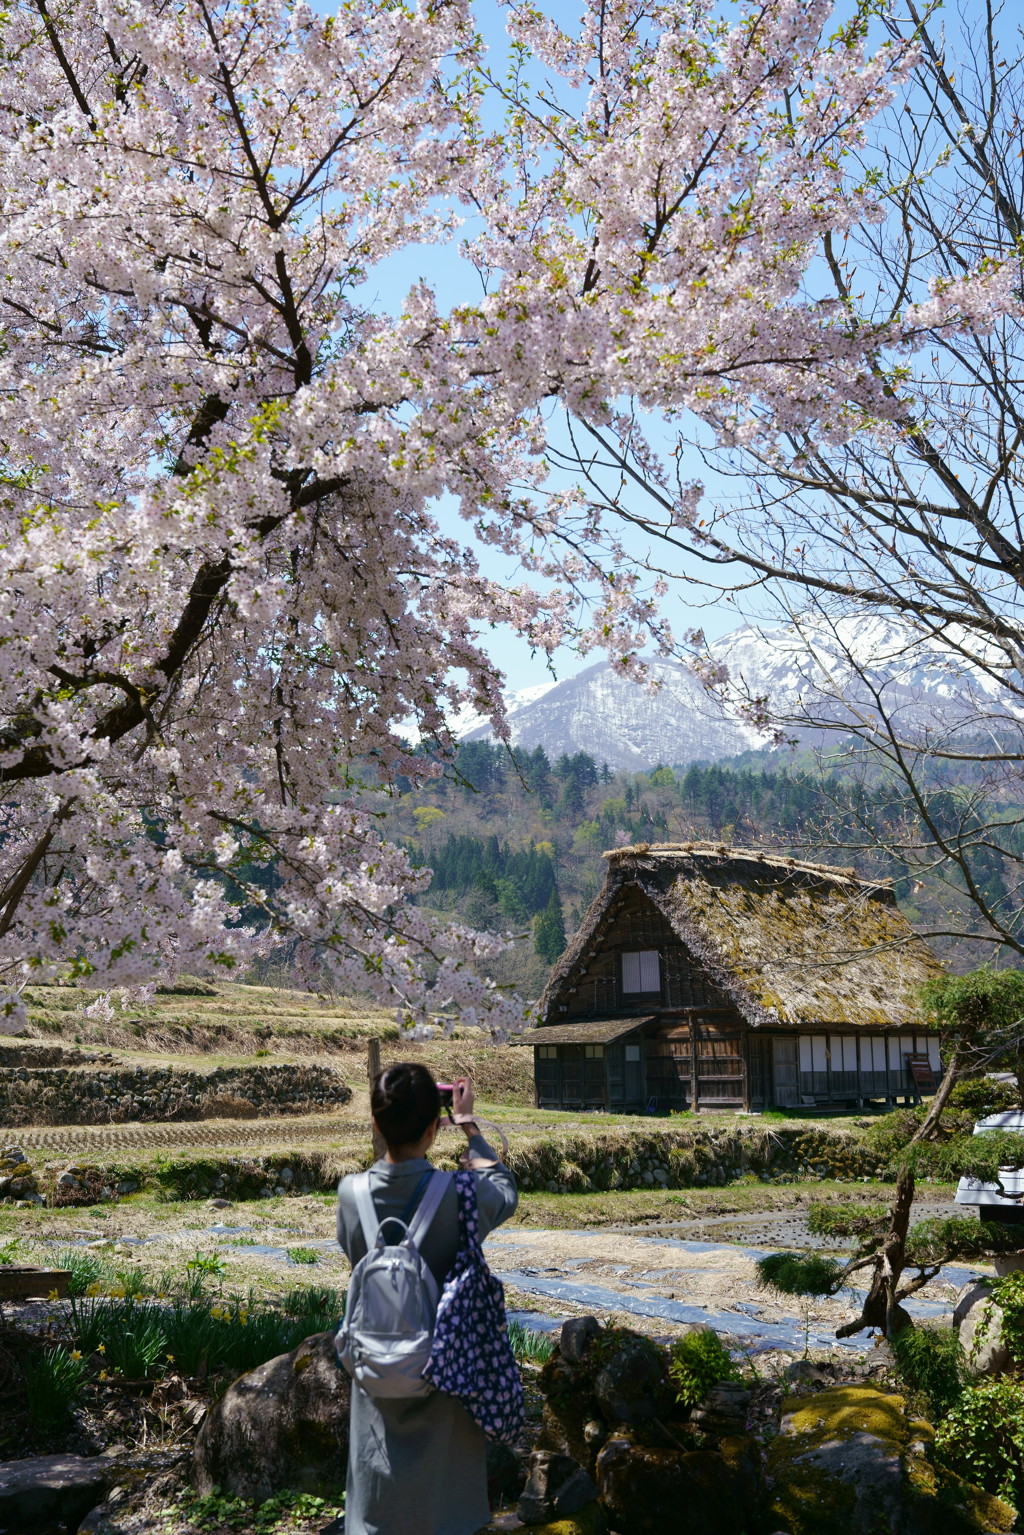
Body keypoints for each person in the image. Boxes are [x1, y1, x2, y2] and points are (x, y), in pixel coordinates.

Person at [336, 1062, 518, 1535]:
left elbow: (355, 1257)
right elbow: (504, 1190)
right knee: (446, 1516)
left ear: (376, 1124)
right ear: (435, 1129)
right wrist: (470, 1126)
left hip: (375, 1378)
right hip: (445, 1385)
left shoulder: (351, 1194)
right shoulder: (461, 1195)